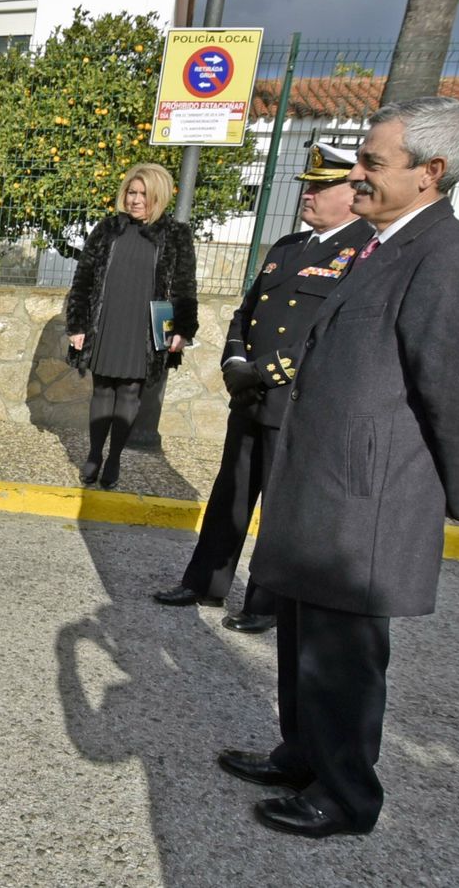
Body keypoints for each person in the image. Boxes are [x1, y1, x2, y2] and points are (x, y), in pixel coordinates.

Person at [219, 97, 459, 838]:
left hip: (368, 498)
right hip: (327, 485)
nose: (356, 175)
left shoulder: (452, 258)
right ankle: (303, 754)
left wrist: (454, 492)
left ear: (431, 172)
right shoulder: (383, 244)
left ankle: (345, 795)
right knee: (304, 636)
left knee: (345, 656)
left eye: (372, 163)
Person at [153, 143, 374, 633]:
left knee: (280, 507)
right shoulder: (287, 247)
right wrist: (234, 359)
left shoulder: (363, 251)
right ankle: (205, 581)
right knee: (230, 492)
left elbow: (332, 336)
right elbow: (245, 311)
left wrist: (266, 371)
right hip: (250, 395)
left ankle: (265, 602)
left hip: (296, 401)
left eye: (320, 188)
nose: (308, 196)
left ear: (352, 191)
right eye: (307, 187)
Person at [64, 163, 196, 490]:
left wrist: (182, 329)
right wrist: (78, 324)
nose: (136, 200)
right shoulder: (107, 229)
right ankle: (94, 454)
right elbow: (83, 280)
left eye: (144, 194)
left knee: (130, 392)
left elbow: (184, 287)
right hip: (106, 321)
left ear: (159, 197)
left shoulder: (176, 235)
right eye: (131, 192)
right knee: (102, 388)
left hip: (145, 327)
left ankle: (114, 458)